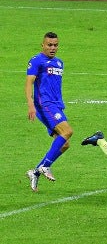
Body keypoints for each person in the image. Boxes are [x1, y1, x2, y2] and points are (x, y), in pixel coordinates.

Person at [25, 31, 74, 192]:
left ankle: (35, 172)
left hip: (56, 106)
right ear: (43, 45)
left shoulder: (59, 63)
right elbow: (29, 83)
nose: (53, 48)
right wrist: (30, 104)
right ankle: (46, 166)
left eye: (55, 45)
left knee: (65, 144)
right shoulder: (36, 61)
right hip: (44, 105)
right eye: (49, 45)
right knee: (67, 131)